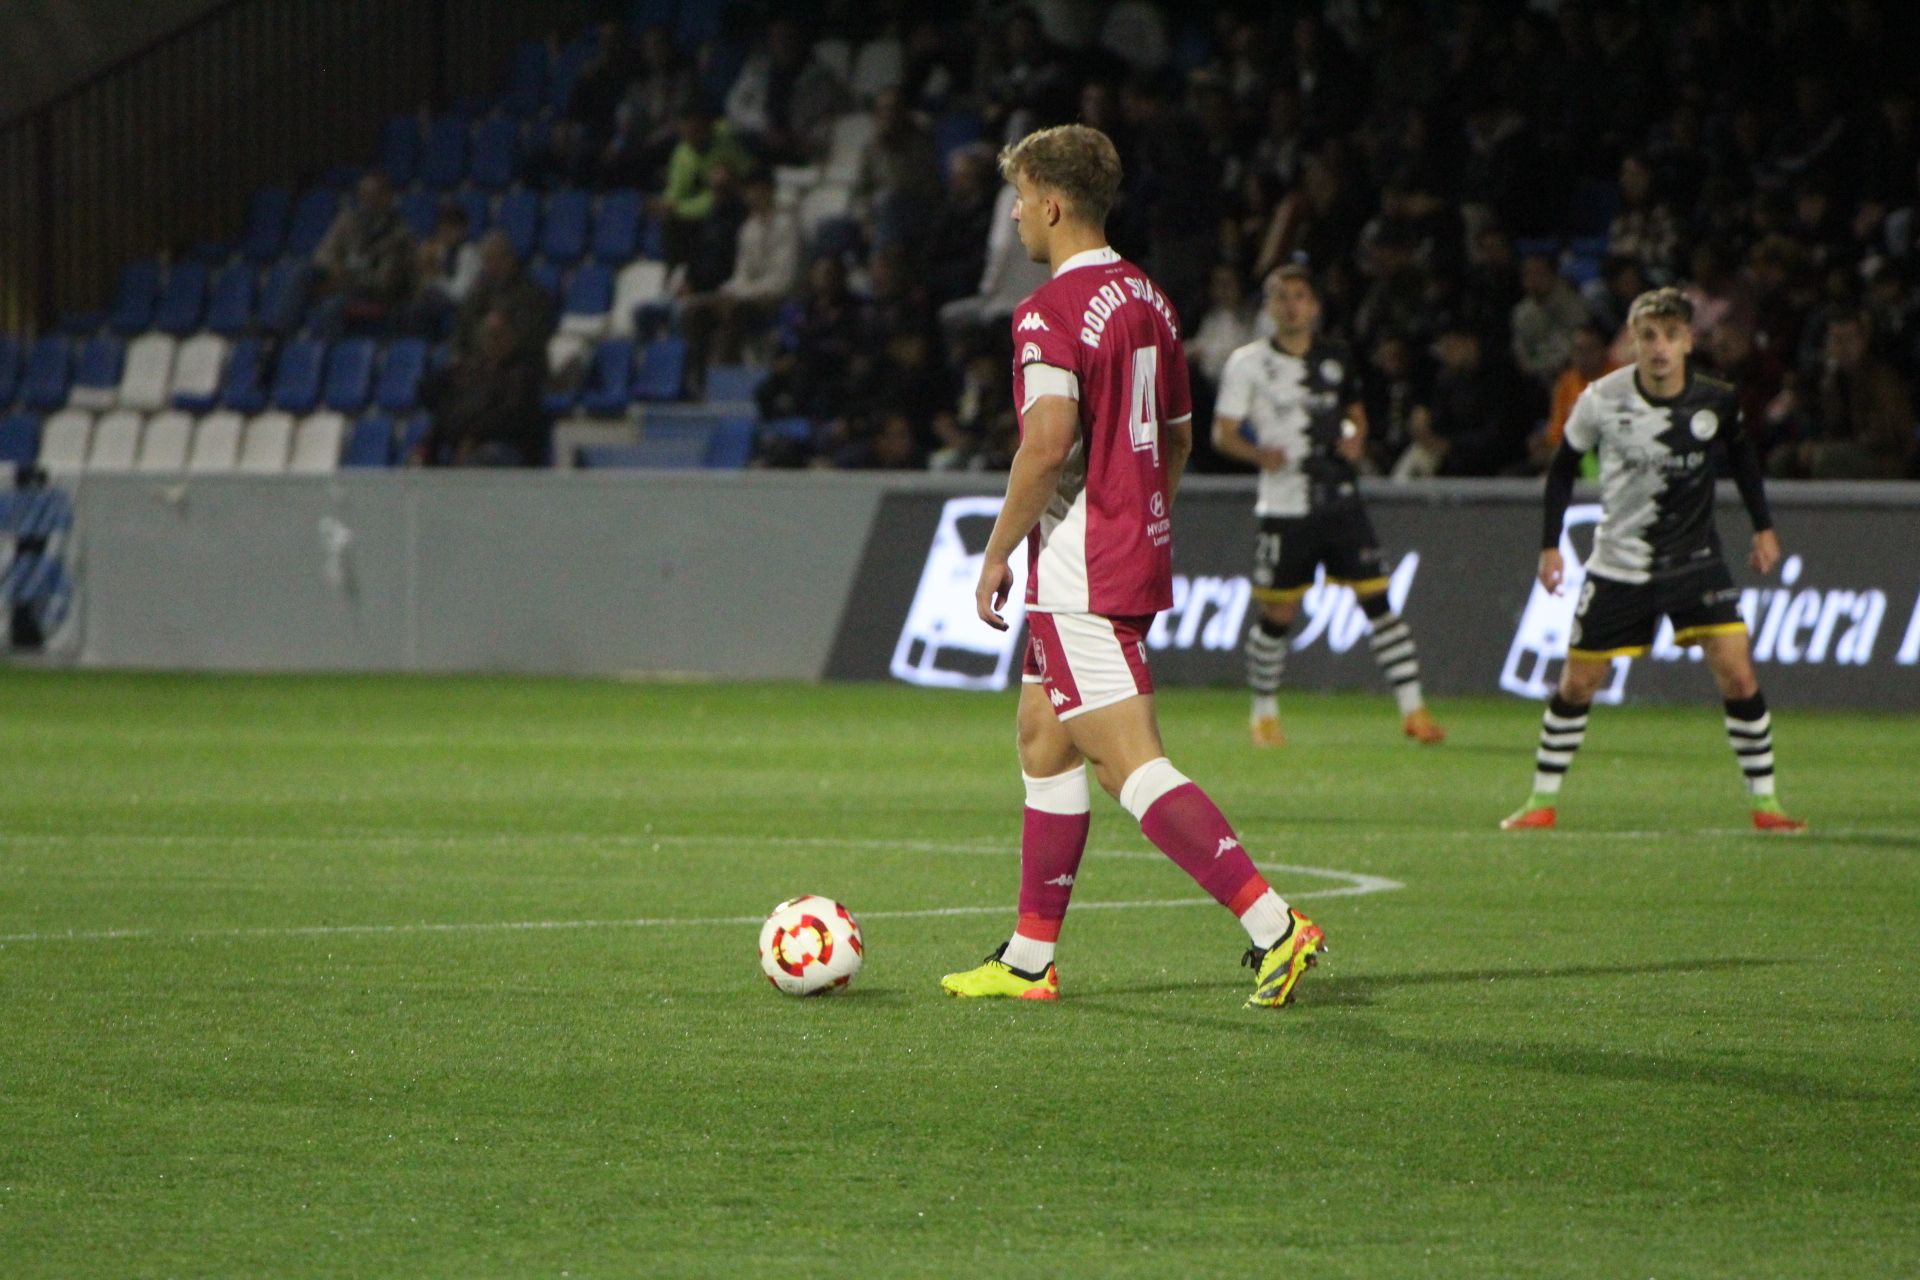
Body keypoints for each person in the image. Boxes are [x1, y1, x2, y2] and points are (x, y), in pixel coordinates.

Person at [938, 124, 1325, 1011]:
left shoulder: (1050, 312)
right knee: (1044, 735)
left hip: (1078, 570)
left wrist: (998, 553)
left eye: (1022, 197)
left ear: (1053, 203)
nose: (1017, 213)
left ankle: (1273, 924)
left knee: (1133, 767)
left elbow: (1045, 444)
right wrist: (1141, 513)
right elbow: (1180, 435)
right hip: (1129, 552)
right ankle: (1030, 959)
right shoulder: (1148, 296)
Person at [1501, 287, 1807, 834]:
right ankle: (1540, 801)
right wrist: (1550, 545)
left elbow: (1743, 458)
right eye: (1648, 335)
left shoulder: (1716, 400)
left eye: (1670, 335)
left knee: (1738, 675)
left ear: (1689, 340)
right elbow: (1563, 469)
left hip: (1696, 561)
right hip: (1620, 564)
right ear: (1634, 341)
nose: (1659, 346)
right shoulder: (1601, 397)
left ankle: (1768, 804)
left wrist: (1764, 528)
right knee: (1578, 683)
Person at [1210, 265, 1445, 749]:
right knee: (1279, 614)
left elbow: (1355, 416)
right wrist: (1259, 455)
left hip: (1339, 499)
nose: (1292, 305)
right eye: (1281, 297)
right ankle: (1264, 714)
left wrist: (1356, 440)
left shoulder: (1336, 357)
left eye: (1300, 296)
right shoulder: (1247, 363)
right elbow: (1222, 432)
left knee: (1378, 601)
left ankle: (1414, 710)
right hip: (1284, 504)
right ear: (1270, 307)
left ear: (1315, 306)